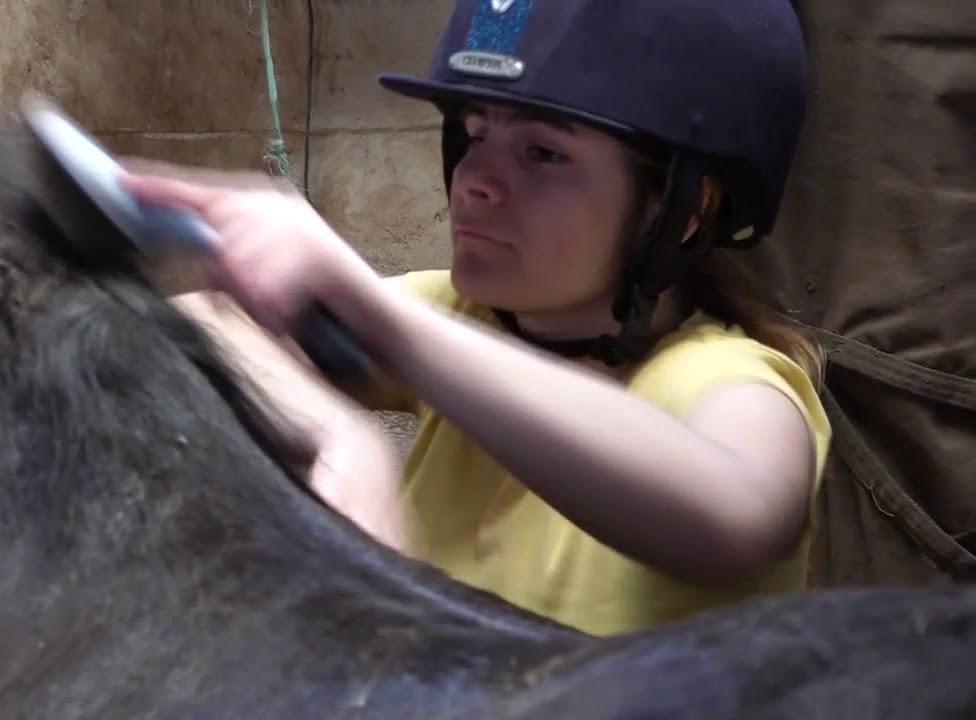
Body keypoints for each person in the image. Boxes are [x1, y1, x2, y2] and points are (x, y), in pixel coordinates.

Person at [120, 0, 832, 637]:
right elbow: (197, 324)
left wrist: (374, 315)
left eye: (544, 153)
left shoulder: (723, 375)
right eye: (474, 134)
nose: (474, 181)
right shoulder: (465, 316)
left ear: (684, 209)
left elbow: (736, 512)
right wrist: (336, 432)